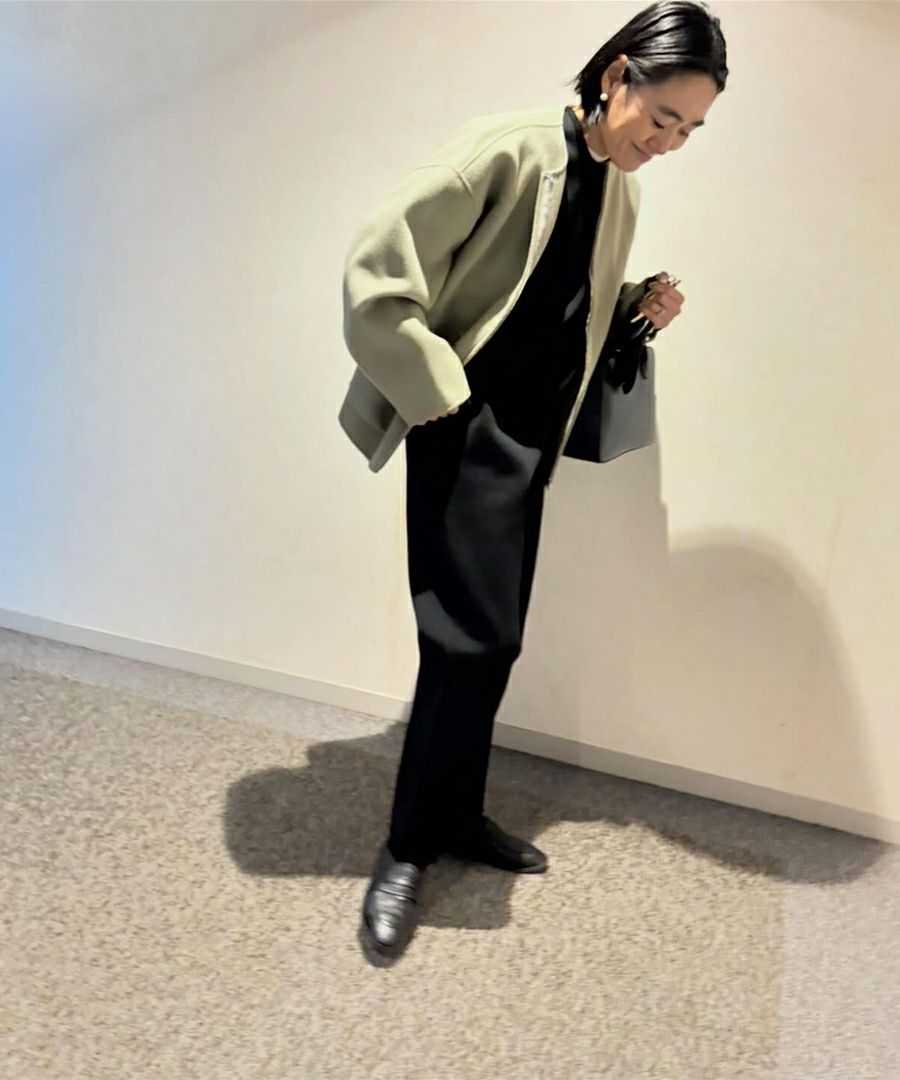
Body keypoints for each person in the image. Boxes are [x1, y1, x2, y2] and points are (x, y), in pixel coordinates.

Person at [338, 0, 728, 960]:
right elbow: (375, 279)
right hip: (463, 427)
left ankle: (455, 813)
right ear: (618, 75)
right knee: (464, 644)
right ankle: (406, 850)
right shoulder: (503, 151)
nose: (667, 143)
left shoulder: (620, 188)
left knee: (494, 642)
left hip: (530, 444)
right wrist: (439, 399)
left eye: (689, 130)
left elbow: (555, 300)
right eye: (662, 117)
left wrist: (636, 307)